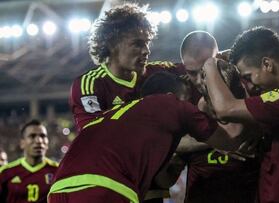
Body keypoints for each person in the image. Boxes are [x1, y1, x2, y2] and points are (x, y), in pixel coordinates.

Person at [48, 72, 246, 203]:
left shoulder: (120, 115)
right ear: (171, 94)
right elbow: (232, 138)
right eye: (186, 99)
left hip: (58, 190)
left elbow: (161, 179)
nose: (189, 105)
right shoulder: (171, 103)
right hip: (104, 189)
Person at [202, 26, 279, 202]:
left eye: (247, 77)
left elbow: (225, 108)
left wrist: (209, 64)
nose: (249, 85)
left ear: (267, 64)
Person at [70, 3, 185, 132]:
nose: (146, 51)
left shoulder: (160, 72)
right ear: (112, 45)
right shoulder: (90, 85)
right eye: (137, 44)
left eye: (147, 43)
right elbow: (95, 135)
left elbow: (196, 66)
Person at [178, 30, 260, 203]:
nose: (200, 80)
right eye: (192, 72)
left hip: (247, 193)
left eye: (205, 69)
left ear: (220, 59)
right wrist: (217, 140)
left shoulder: (248, 84)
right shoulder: (182, 95)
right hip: (200, 194)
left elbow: (243, 133)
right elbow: (170, 142)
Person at [0, 119, 58, 203]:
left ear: (47, 143)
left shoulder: (58, 171)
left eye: (43, 136)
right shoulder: (5, 172)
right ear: (22, 143)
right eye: (32, 136)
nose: (39, 141)